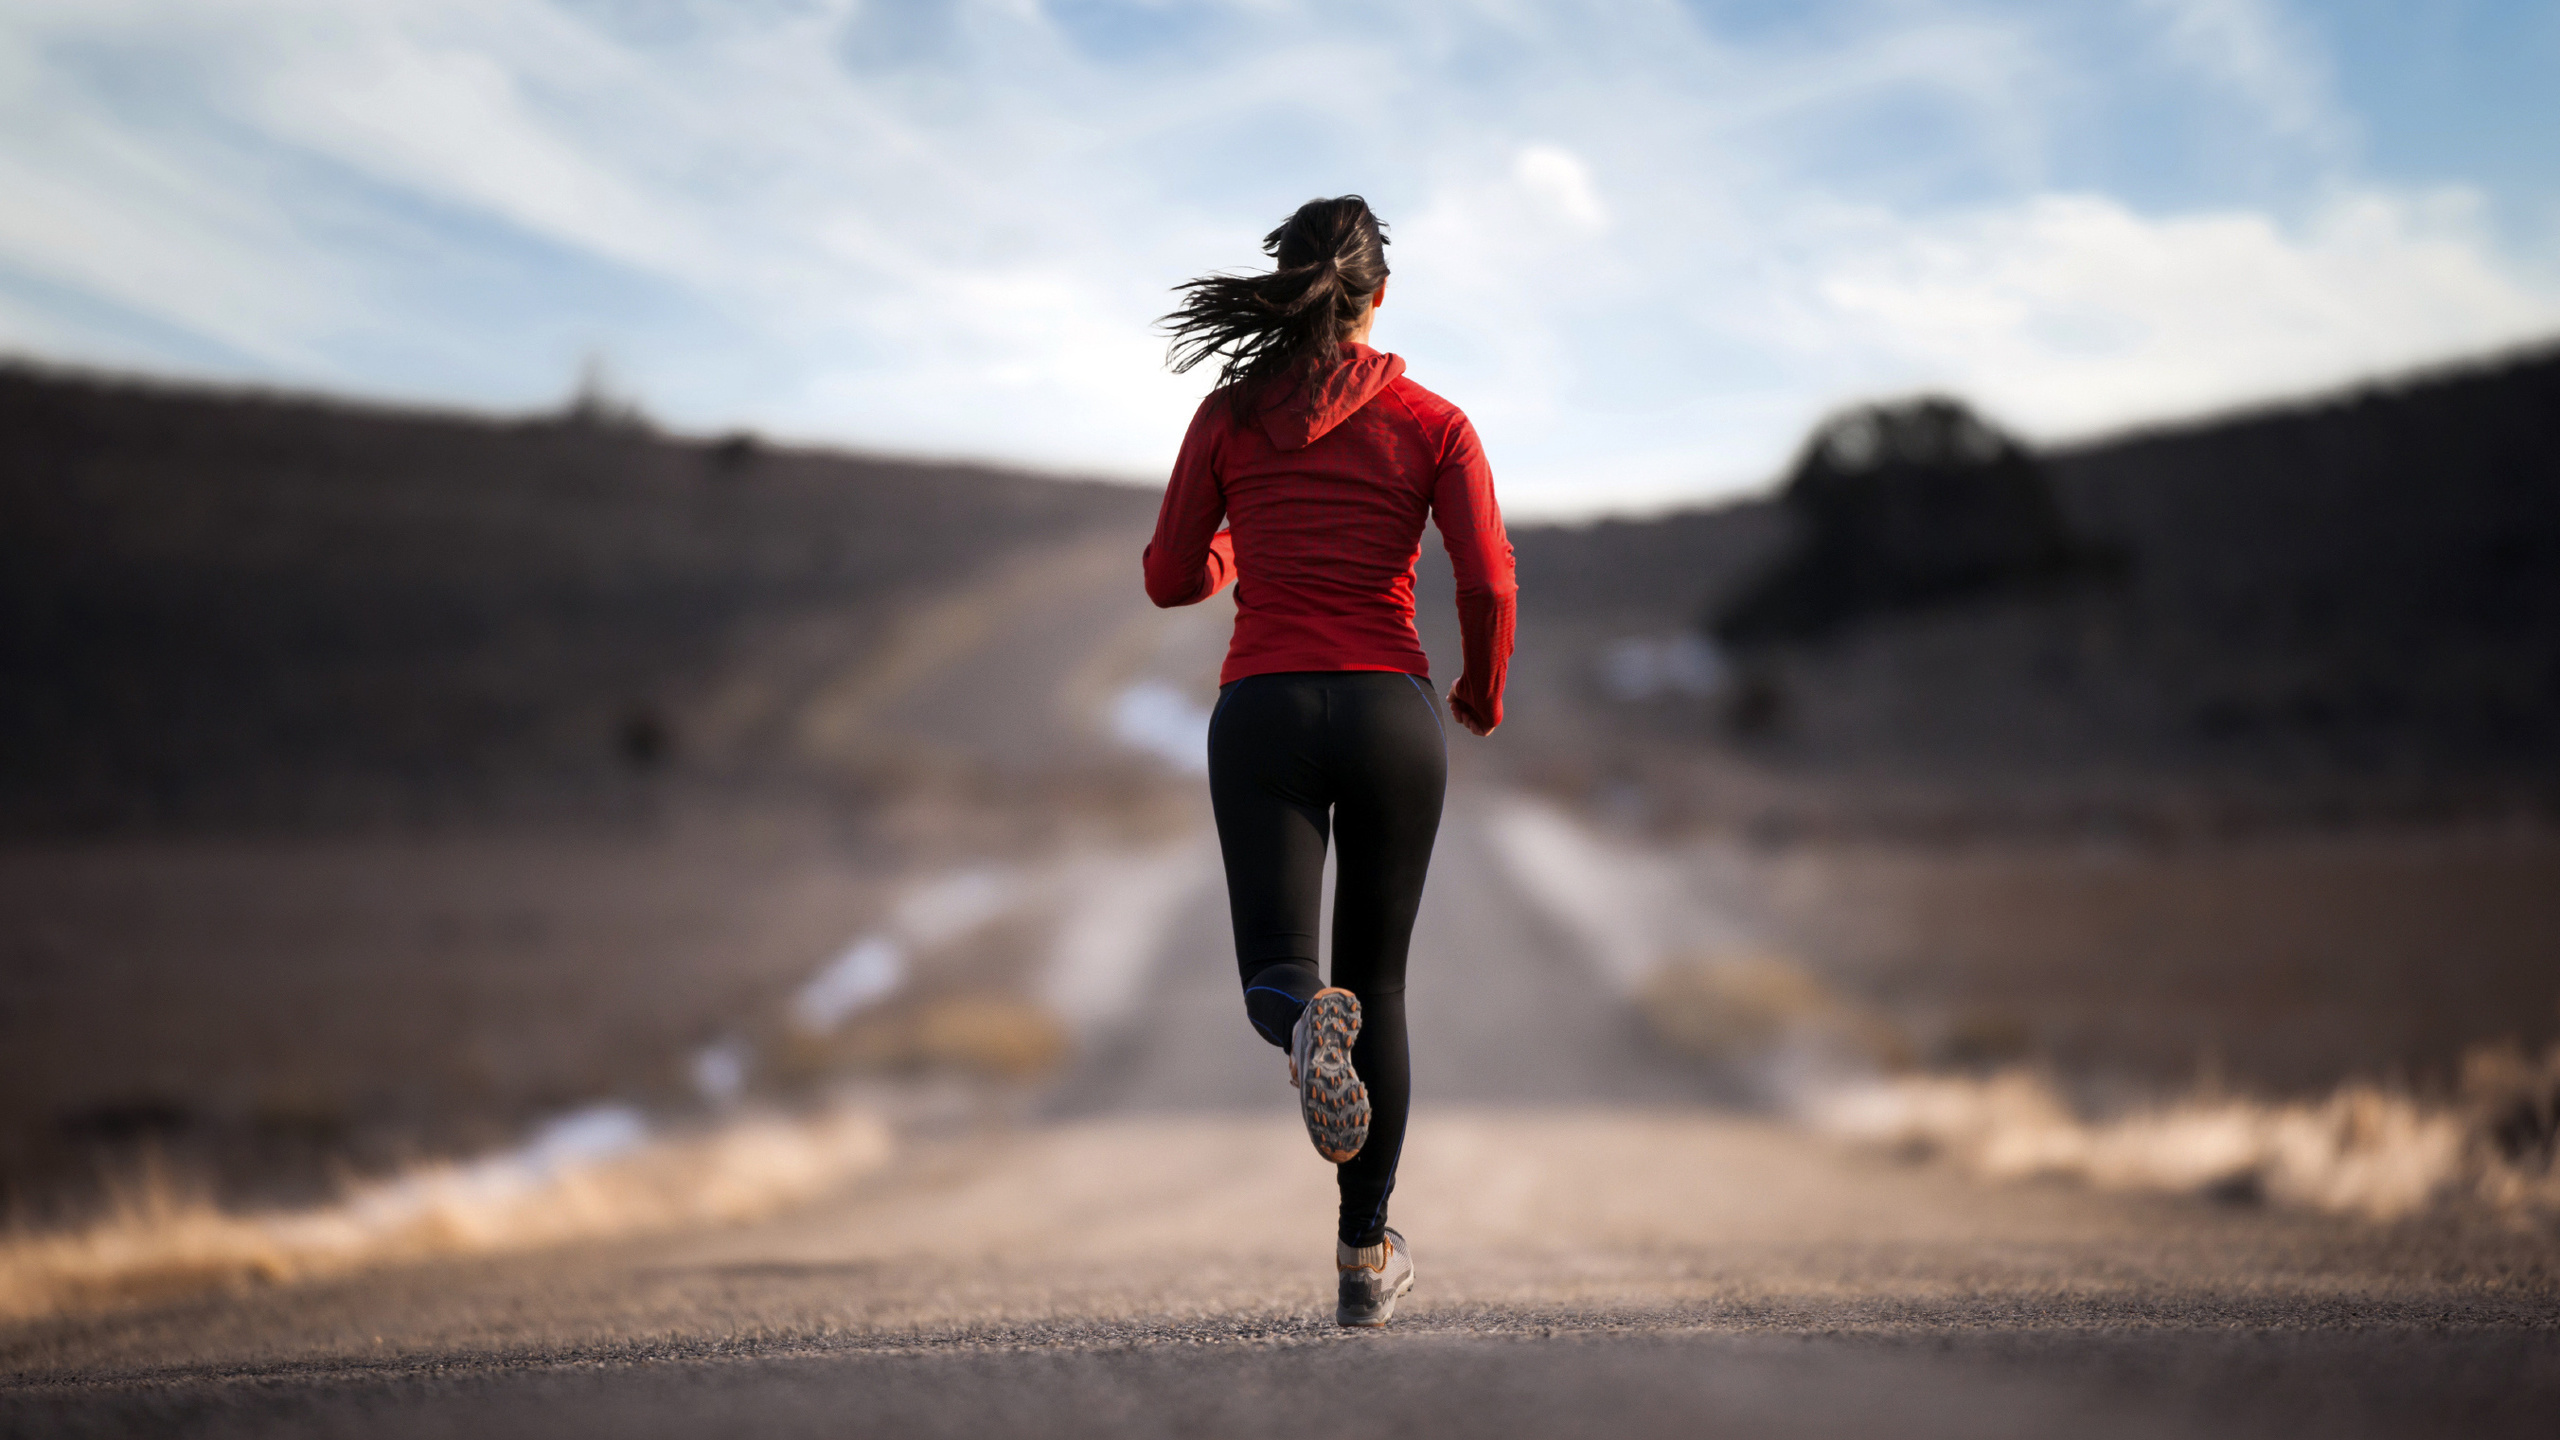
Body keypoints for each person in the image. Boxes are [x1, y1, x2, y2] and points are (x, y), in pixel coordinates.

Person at [1142, 195, 1516, 1328]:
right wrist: (1478, 690)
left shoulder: (1228, 415)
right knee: (1383, 983)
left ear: (1285, 285)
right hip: (1390, 710)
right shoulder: (1433, 421)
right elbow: (1487, 578)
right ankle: (1364, 1255)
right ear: (1379, 296)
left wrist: (1229, 543)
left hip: (1262, 706)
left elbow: (1169, 578)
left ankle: (1304, 1023)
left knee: (1284, 972)